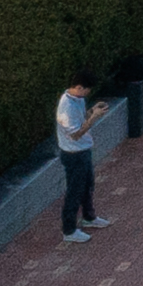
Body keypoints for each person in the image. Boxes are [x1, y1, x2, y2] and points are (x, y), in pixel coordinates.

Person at [55, 82, 105, 241]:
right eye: (87, 89)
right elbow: (76, 134)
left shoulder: (78, 100)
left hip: (83, 151)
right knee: (74, 191)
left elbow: (81, 119)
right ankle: (69, 230)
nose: (87, 93)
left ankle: (89, 217)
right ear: (79, 87)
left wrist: (92, 112)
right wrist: (94, 118)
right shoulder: (66, 107)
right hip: (73, 154)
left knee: (88, 184)